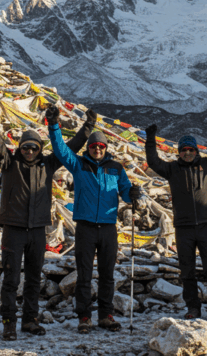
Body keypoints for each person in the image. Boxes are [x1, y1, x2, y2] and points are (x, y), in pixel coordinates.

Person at [0, 100, 95, 340]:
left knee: (34, 279)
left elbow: (71, 146)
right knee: (11, 279)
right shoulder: (9, 163)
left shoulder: (49, 164)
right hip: (13, 230)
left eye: (34, 148)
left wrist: (89, 126)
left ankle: (30, 320)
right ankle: (9, 323)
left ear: (40, 149)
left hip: (37, 230)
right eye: (26, 147)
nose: (30, 152)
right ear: (20, 148)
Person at [45, 104, 141, 334]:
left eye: (101, 146)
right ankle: (85, 317)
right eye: (93, 146)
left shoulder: (116, 168)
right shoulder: (79, 164)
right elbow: (60, 149)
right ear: (88, 147)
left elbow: (125, 193)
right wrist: (54, 125)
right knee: (84, 275)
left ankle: (106, 315)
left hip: (108, 228)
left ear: (106, 148)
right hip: (86, 227)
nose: (97, 149)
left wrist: (133, 195)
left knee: (107, 275)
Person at [144, 106, 207, 322]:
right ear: (179, 152)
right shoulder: (172, 169)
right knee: (187, 272)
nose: (187, 153)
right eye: (183, 150)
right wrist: (150, 138)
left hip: (206, 226)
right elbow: (153, 161)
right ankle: (193, 307)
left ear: (196, 151)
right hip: (183, 228)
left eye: (191, 149)